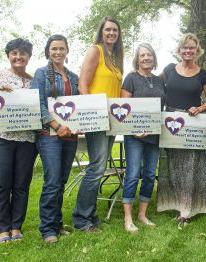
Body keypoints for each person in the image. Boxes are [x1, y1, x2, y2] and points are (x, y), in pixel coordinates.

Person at [0, 38, 38, 243]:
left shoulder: (33, 82)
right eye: (14, 53)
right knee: (1, 183)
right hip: (0, 138)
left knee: (21, 184)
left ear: (29, 57)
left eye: (23, 53)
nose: (18, 57)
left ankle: (16, 227)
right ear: (8, 56)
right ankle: (2, 228)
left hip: (27, 140)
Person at [157, 33, 206, 227]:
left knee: (190, 167)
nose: (188, 51)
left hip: (192, 125)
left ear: (197, 51)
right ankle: (178, 204)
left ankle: (187, 210)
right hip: (171, 125)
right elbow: (155, 86)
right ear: (179, 50)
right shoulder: (169, 70)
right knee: (174, 166)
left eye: (192, 48)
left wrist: (199, 108)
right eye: (184, 48)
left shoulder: (203, 74)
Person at [72, 16, 124, 231]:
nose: (111, 33)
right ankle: (81, 219)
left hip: (112, 118)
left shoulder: (116, 57)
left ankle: (90, 214)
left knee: (99, 166)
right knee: (96, 167)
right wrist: (89, 112)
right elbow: (82, 83)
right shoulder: (96, 50)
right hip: (97, 116)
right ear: (101, 32)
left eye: (115, 30)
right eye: (108, 29)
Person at [31, 34, 79, 244]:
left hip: (70, 135)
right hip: (49, 135)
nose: (58, 52)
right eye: (54, 49)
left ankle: (57, 224)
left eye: (61, 48)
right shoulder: (41, 74)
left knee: (61, 180)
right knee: (51, 181)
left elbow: (79, 105)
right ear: (48, 51)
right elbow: (37, 104)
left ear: (67, 51)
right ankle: (47, 229)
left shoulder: (73, 76)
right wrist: (56, 125)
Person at [120, 43, 166, 233]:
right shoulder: (130, 78)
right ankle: (128, 217)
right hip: (135, 136)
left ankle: (142, 214)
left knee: (148, 175)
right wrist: (134, 129)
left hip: (155, 135)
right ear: (137, 59)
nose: (146, 58)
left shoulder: (160, 81)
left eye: (149, 55)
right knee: (132, 175)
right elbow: (123, 108)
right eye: (142, 55)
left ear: (153, 58)